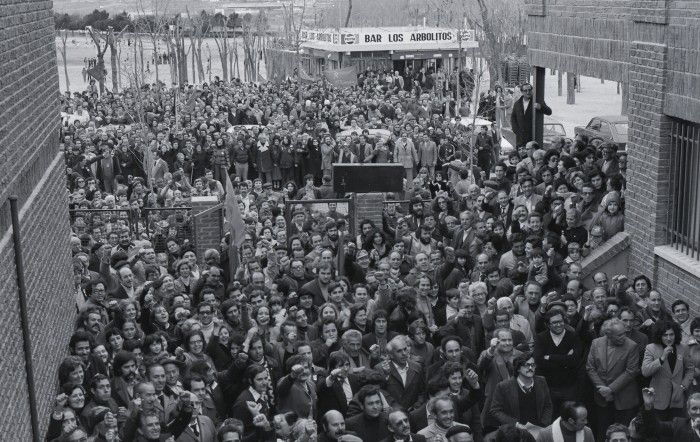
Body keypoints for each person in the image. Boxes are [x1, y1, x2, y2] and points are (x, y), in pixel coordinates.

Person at [586, 318, 640, 440]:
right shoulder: (596, 343)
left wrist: (610, 389)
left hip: (624, 400)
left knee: (623, 434)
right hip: (602, 400)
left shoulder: (632, 346)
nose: (624, 337)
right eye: (620, 335)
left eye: (625, 333)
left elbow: (631, 372)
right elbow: (590, 368)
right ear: (608, 335)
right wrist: (603, 390)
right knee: (603, 432)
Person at [510, 83, 552, 148]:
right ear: (522, 92)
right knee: (521, 156)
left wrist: (541, 107)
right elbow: (513, 117)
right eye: (525, 90)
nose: (528, 92)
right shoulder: (517, 103)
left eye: (529, 90)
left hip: (533, 137)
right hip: (520, 139)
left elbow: (549, 112)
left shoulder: (537, 101)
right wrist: (516, 131)